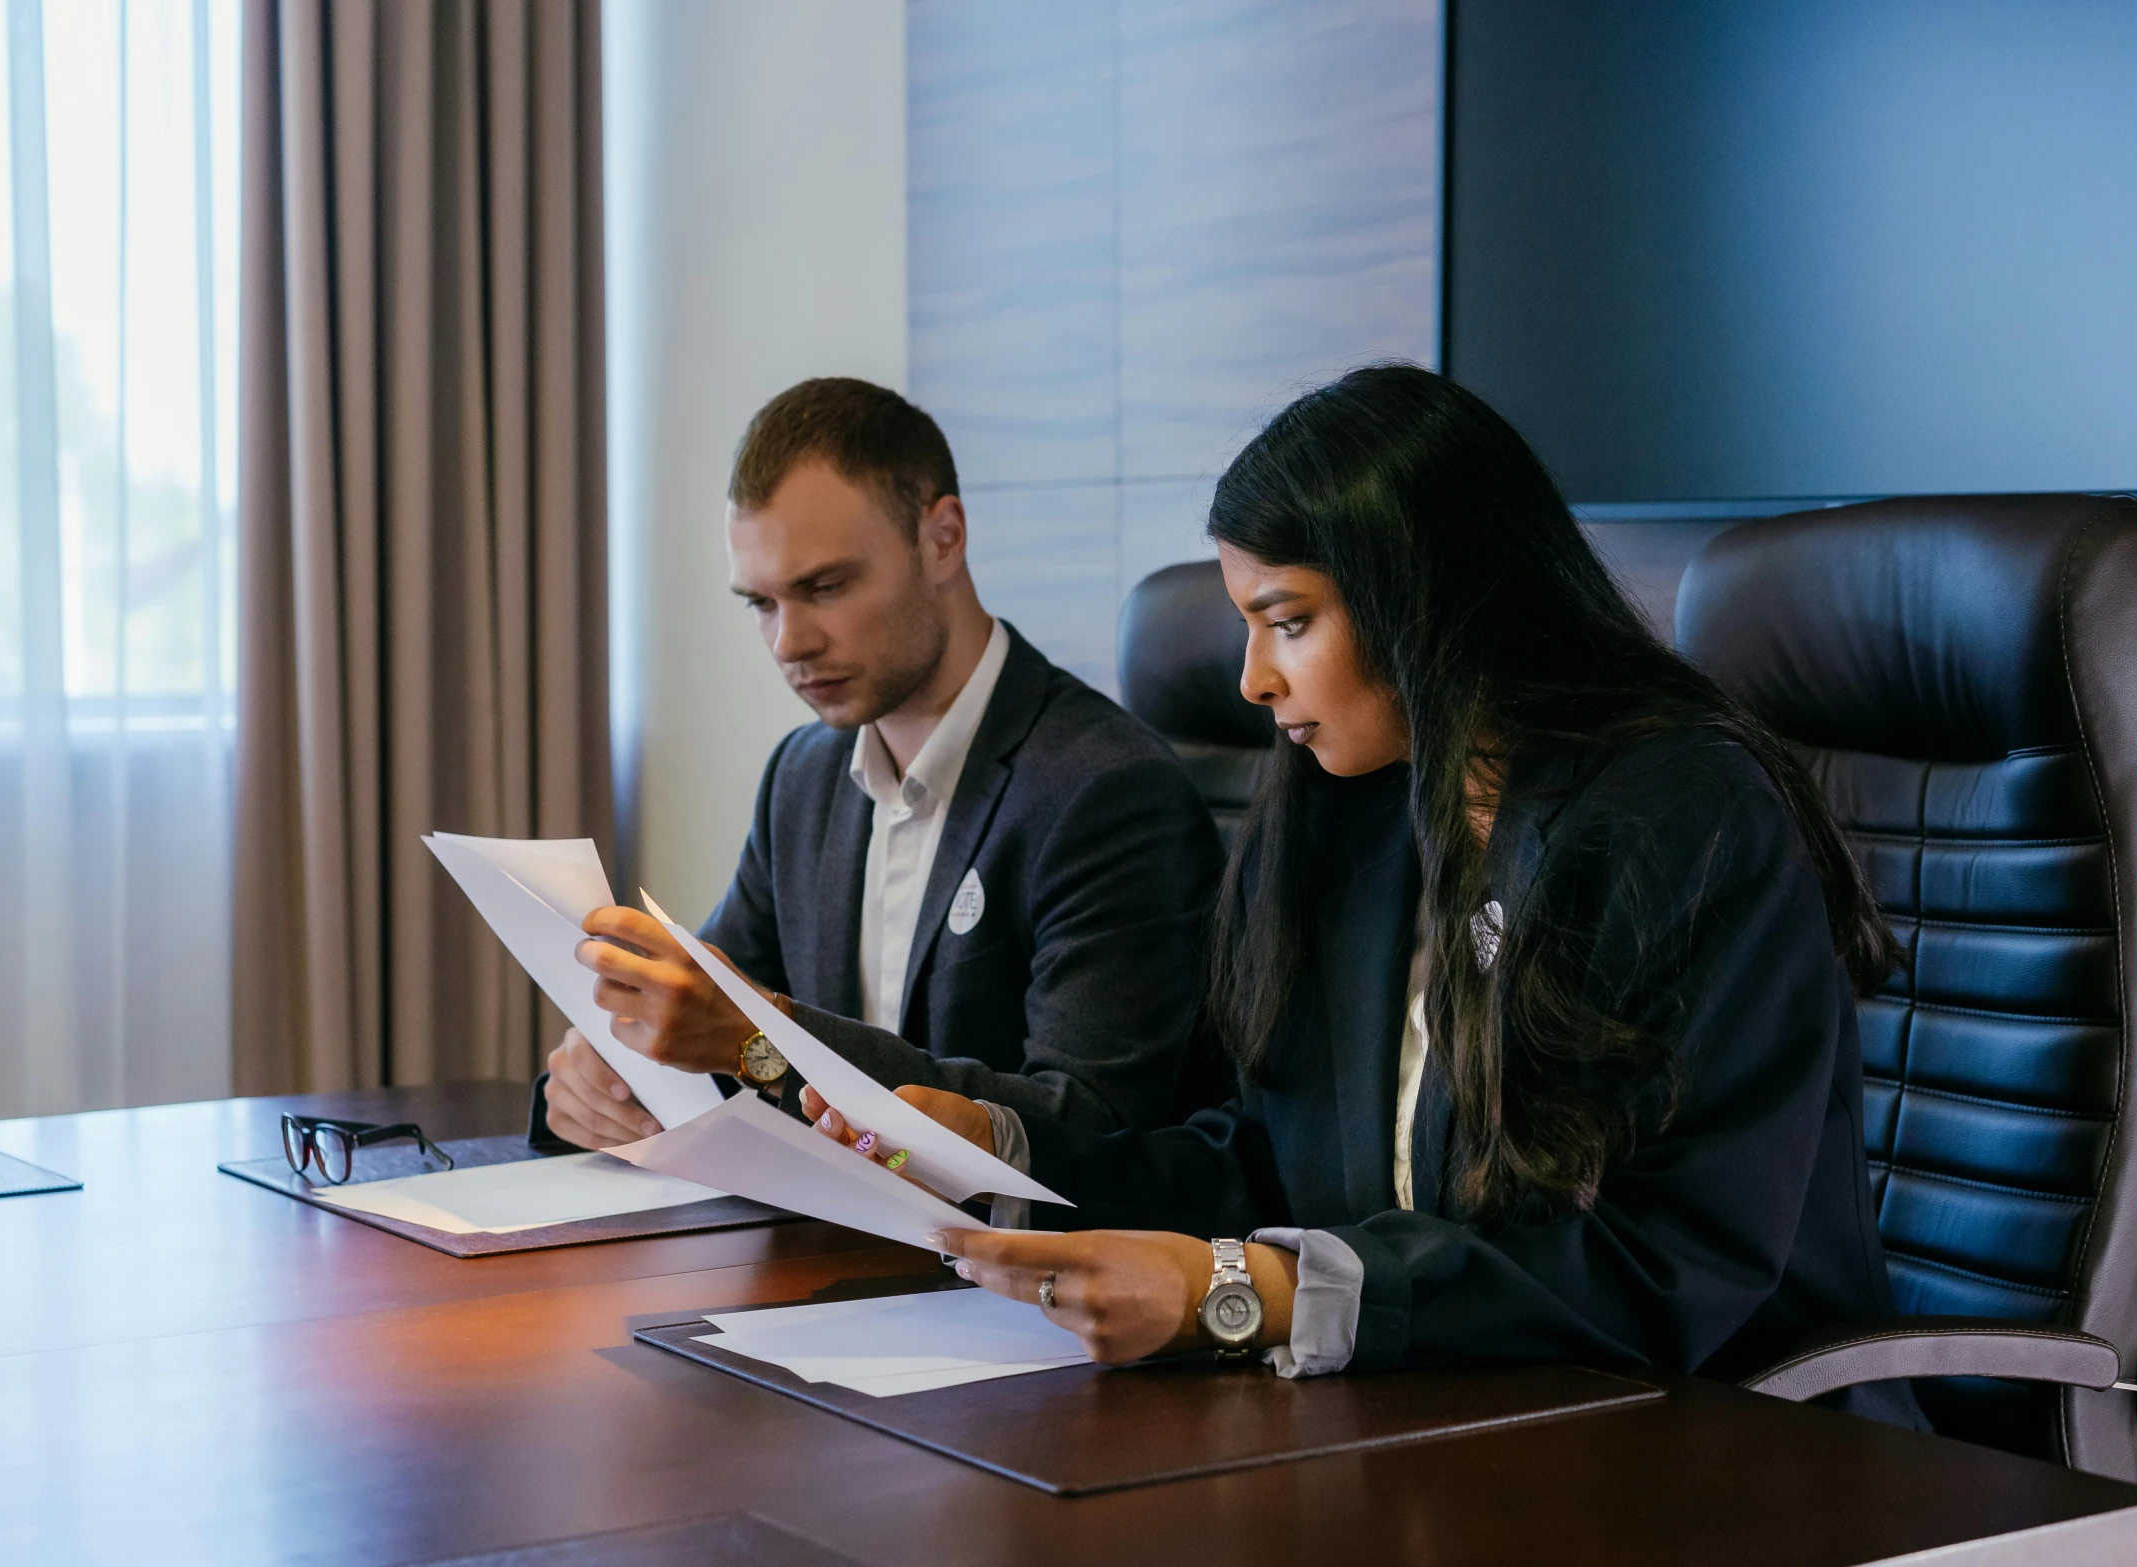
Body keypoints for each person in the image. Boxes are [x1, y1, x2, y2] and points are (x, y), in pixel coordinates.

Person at [800, 365, 1926, 1424]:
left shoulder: (1680, 819)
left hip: (1720, 1436)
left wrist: (1250, 1288)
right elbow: (1263, 1161)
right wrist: (998, 1151)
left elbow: (1671, 1266)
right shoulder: (1364, 810)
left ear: (1425, 601)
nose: (1252, 679)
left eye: (1288, 621)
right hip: (1445, 1418)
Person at [537, 378, 1225, 1150]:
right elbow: (712, 1018)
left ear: (943, 539)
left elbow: (1092, 1126)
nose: (788, 642)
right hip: (826, 1240)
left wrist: (759, 1038)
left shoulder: (1106, 790)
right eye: (760, 603)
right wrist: (602, 1071)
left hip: (1002, 1264)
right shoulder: (801, 780)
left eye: (824, 587)